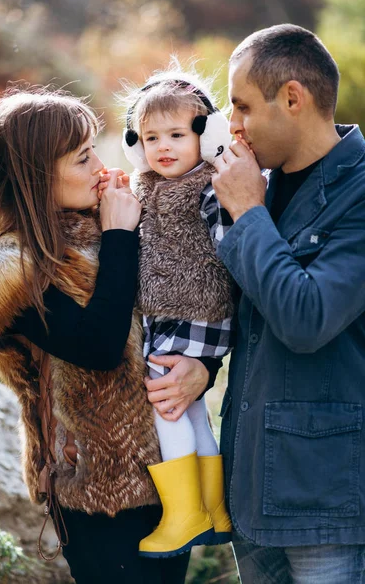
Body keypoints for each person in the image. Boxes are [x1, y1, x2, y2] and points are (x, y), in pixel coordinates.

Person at [0, 86, 215, 584]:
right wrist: (121, 235)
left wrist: (202, 370)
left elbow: (184, 308)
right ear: (38, 175)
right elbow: (98, 347)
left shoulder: (92, 224)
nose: (101, 165)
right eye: (82, 158)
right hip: (97, 491)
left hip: (170, 474)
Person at [211, 23, 365, 583]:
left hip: (323, 502)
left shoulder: (360, 192)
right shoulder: (262, 183)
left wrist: (249, 214)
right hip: (250, 482)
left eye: (243, 106)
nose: (233, 125)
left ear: (293, 99)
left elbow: (307, 318)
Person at [113, 67, 234, 558]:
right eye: (151, 137)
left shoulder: (208, 184)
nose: (163, 147)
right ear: (135, 144)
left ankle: (184, 513)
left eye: (177, 135)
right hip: (175, 314)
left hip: (196, 308)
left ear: (206, 135)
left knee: (165, 405)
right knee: (190, 412)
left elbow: (231, 243)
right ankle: (212, 507)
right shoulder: (149, 185)